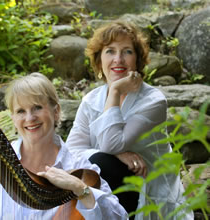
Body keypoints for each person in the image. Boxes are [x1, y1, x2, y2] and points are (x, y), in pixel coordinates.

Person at [66, 20, 194, 219]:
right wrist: (119, 154)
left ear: (137, 60)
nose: (118, 59)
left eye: (127, 51)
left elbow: (110, 143)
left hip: (148, 192)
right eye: (110, 51)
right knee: (96, 164)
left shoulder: (153, 101)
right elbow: (71, 152)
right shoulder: (90, 100)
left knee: (101, 161)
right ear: (99, 60)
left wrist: (115, 90)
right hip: (108, 187)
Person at [0, 72, 128, 220]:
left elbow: (120, 217)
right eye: (20, 111)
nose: (30, 118)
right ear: (13, 118)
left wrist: (80, 189)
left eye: (37, 108)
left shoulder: (79, 166)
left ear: (56, 112)